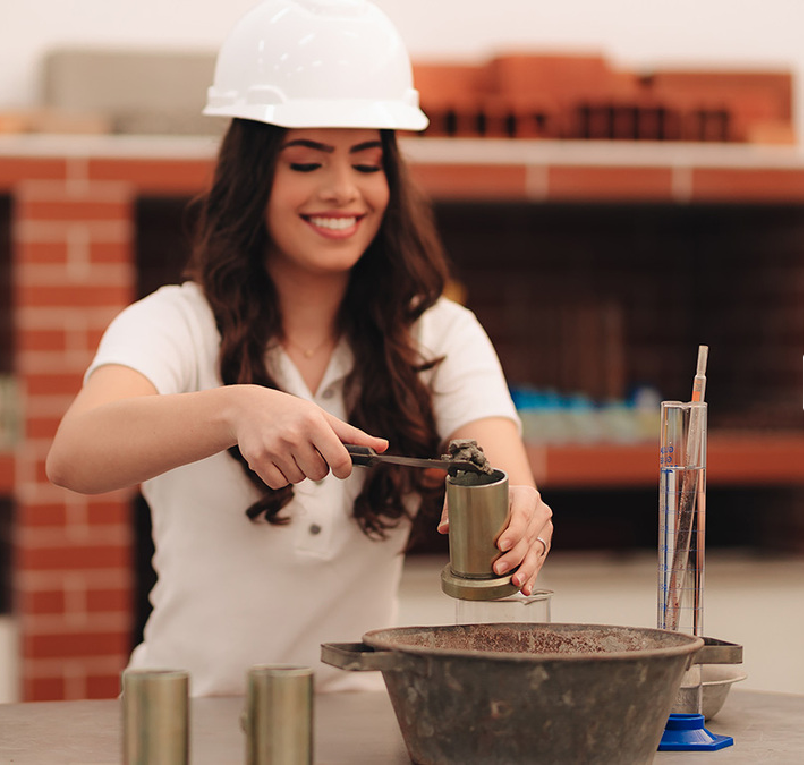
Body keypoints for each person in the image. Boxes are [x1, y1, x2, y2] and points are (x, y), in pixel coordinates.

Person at [45, 0, 553, 696]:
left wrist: (521, 507)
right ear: (254, 179)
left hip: (362, 722)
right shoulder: (175, 323)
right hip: (185, 719)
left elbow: (500, 464)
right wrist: (235, 411)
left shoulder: (438, 332)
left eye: (367, 162)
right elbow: (74, 454)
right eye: (308, 161)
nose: (343, 190)